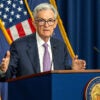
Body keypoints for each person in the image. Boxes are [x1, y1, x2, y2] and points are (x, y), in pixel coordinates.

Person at [0, 3, 86, 80]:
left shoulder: (60, 46)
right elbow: (6, 76)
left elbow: (64, 77)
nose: (46, 25)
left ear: (55, 23)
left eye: (50, 20)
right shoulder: (19, 46)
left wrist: (73, 70)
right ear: (34, 23)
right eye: (41, 20)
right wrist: (3, 70)